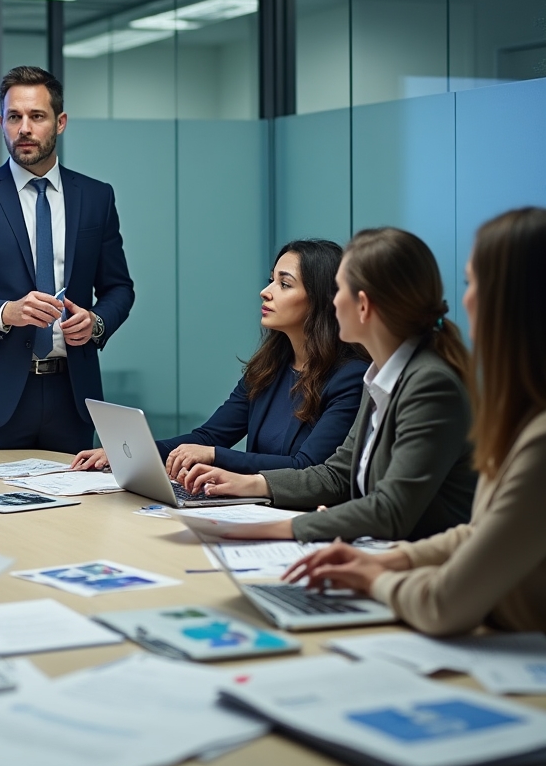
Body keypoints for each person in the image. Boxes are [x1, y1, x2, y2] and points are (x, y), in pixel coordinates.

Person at [285, 208, 546, 631]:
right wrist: (392, 560)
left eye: (472, 282)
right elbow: (478, 533)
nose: (465, 299)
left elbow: (443, 604)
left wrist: (376, 576)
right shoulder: (521, 421)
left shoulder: (527, 432)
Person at [182, 227, 477, 543]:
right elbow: (336, 474)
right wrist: (251, 484)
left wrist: (268, 529)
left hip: (422, 568)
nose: (331, 302)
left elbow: (390, 510)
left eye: (338, 291)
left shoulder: (429, 384)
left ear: (362, 305)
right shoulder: (381, 375)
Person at [0, 65, 135, 454]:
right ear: (1, 122)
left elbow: (119, 287)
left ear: (60, 122)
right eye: (14, 117)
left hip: (73, 397)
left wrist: (97, 322)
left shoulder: (96, 197)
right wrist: (6, 312)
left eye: (36, 116)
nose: (24, 128)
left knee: (75, 513)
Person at [71, 239, 368, 477]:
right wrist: (132, 451)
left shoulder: (350, 377)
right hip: (254, 511)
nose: (265, 292)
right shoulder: (269, 368)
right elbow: (208, 436)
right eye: (270, 280)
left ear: (320, 299)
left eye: (284, 284)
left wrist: (215, 456)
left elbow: (308, 467)